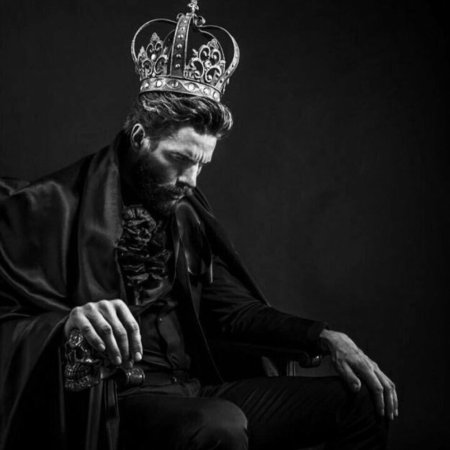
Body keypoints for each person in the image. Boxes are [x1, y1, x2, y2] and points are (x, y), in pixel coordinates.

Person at [0, 2, 398, 449]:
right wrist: (68, 324)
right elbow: (7, 328)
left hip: (196, 391)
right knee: (218, 424)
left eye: (202, 164)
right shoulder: (45, 206)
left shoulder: (185, 213)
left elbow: (233, 312)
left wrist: (325, 337)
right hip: (117, 403)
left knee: (361, 402)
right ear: (139, 137)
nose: (191, 180)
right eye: (180, 159)